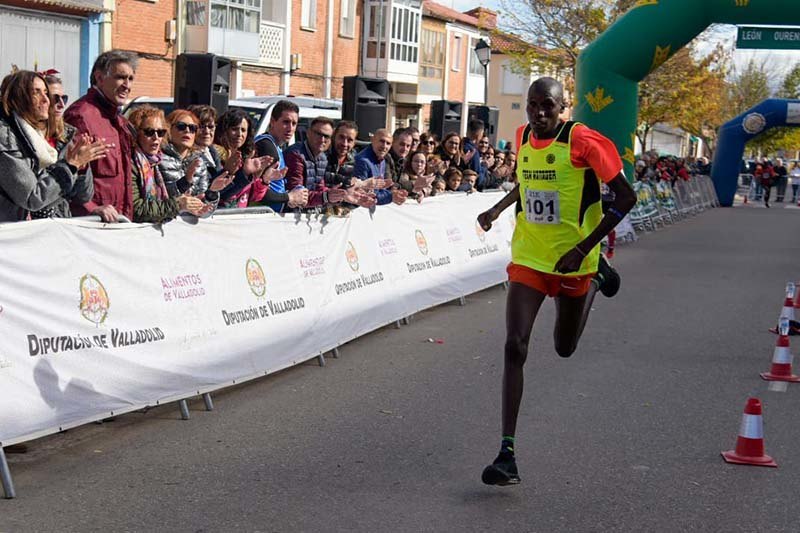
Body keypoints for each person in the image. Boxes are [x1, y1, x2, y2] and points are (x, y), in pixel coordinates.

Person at [476, 77, 636, 486]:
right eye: (533, 105)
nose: (539, 113)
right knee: (515, 345)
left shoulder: (582, 139)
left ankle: (597, 281)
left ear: (563, 107)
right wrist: (495, 210)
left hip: (574, 262)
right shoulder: (523, 135)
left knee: (564, 348)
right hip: (530, 256)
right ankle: (506, 453)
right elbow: (526, 184)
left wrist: (585, 251)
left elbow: (626, 197)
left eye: (547, 105)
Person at [0, 70, 105, 222]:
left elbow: (83, 195)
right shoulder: (6, 138)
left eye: (45, 93)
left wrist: (81, 167)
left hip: (54, 230)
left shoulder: (58, 137)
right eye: (36, 93)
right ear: (18, 98)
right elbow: (32, 198)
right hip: (16, 237)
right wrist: (70, 165)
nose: (46, 100)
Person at [64, 49, 138, 222]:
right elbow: (69, 172)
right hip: (92, 227)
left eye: (131, 78)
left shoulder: (119, 121)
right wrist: (92, 209)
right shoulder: (80, 116)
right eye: (120, 77)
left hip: (119, 223)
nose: (127, 85)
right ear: (99, 78)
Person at [127, 105, 208, 223]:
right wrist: (178, 204)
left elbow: (164, 200)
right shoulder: (131, 163)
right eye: (149, 132)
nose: (156, 137)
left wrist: (210, 193)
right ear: (136, 133)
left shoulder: (154, 162)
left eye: (160, 132)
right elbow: (137, 210)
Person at [285, 116, 367, 210]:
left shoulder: (322, 158)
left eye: (327, 136)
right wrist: (327, 196)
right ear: (308, 133)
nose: (322, 140)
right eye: (318, 134)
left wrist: (342, 195)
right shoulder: (296, 155)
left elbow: (319, 189)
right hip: (286, 216)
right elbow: (297, 197)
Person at [252, 100, 308, 212]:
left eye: (294, 123)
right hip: (259, 216)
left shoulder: (276, 146)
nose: (290, 128)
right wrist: (289, 197)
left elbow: (275, 188)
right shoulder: (267, 146)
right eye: (285, 122)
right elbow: (259, 193)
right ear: (272, 121)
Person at [353, 128, 409, 206]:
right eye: (382, 141)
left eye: (388, 143)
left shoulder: (383, 159)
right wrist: (391, 196)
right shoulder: (363, 161)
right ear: (372, 140)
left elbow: (379, 191)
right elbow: (360, 194)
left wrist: (394, 193)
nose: (384, 146)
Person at [462, 119, 485, 189]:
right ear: (479, 134)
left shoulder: (460, 145)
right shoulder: (473, 151)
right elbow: (478, 179)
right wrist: (484, 167)